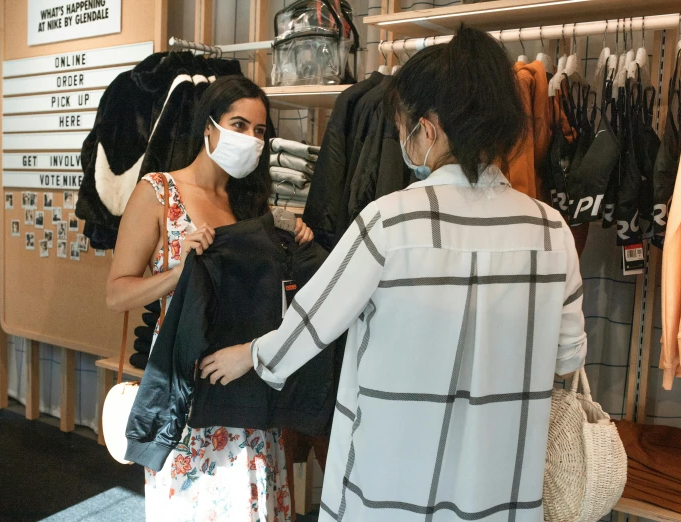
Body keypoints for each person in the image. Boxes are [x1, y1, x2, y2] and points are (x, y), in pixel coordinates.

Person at [201, 27, 588, 522]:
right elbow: (568, 356)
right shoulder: (550, 230)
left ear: (426, 131)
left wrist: (251, 356)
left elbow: (313, 322)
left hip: (390, 488)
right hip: (500, 489)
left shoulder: (391, 221)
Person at [107, 75, 313, 522]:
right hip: (187, 383)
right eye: (239, 124)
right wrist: (178, 274)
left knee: (253, 501)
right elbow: (116, 293)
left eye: (260, 132)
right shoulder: (158, 193)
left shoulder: (252, 205)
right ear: (208, 125)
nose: (251, 140)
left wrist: (292, 239)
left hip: (249, 379)